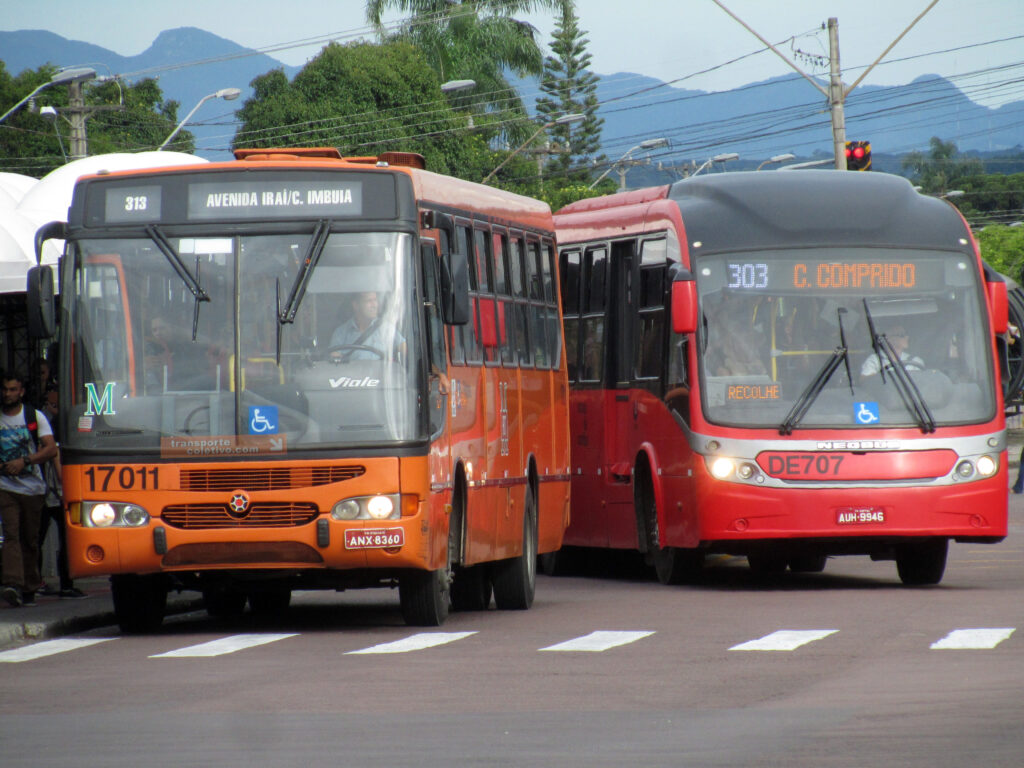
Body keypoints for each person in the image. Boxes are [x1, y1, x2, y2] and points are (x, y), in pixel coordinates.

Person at [0, 371, 58, 608]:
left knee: (29, 539)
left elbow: (51, 449)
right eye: (5, 389)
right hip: (5, 487)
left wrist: (25, 461)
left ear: (21, 392)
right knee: (11, 534)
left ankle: (29, 587)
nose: (8, 394)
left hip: (33, 488)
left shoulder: (34, 416)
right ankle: (12, 583)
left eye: (13, 389)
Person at [35, 386, 85, 599]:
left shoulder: (52, 436)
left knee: (43, 539)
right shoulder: (54, 439)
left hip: (50, 494)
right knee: (51, 539)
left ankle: (48, 583)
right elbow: (58, 469)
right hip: (53, 494)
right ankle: (59, 585)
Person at [329, 291, 406, 362]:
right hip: (352, 372)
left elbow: (404, 348)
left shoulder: (385, 328)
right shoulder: (341, 333)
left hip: (382, 372)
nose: (374, 305)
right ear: (356, 305)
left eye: (375, 300)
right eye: (369, 301)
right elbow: (335, 360)